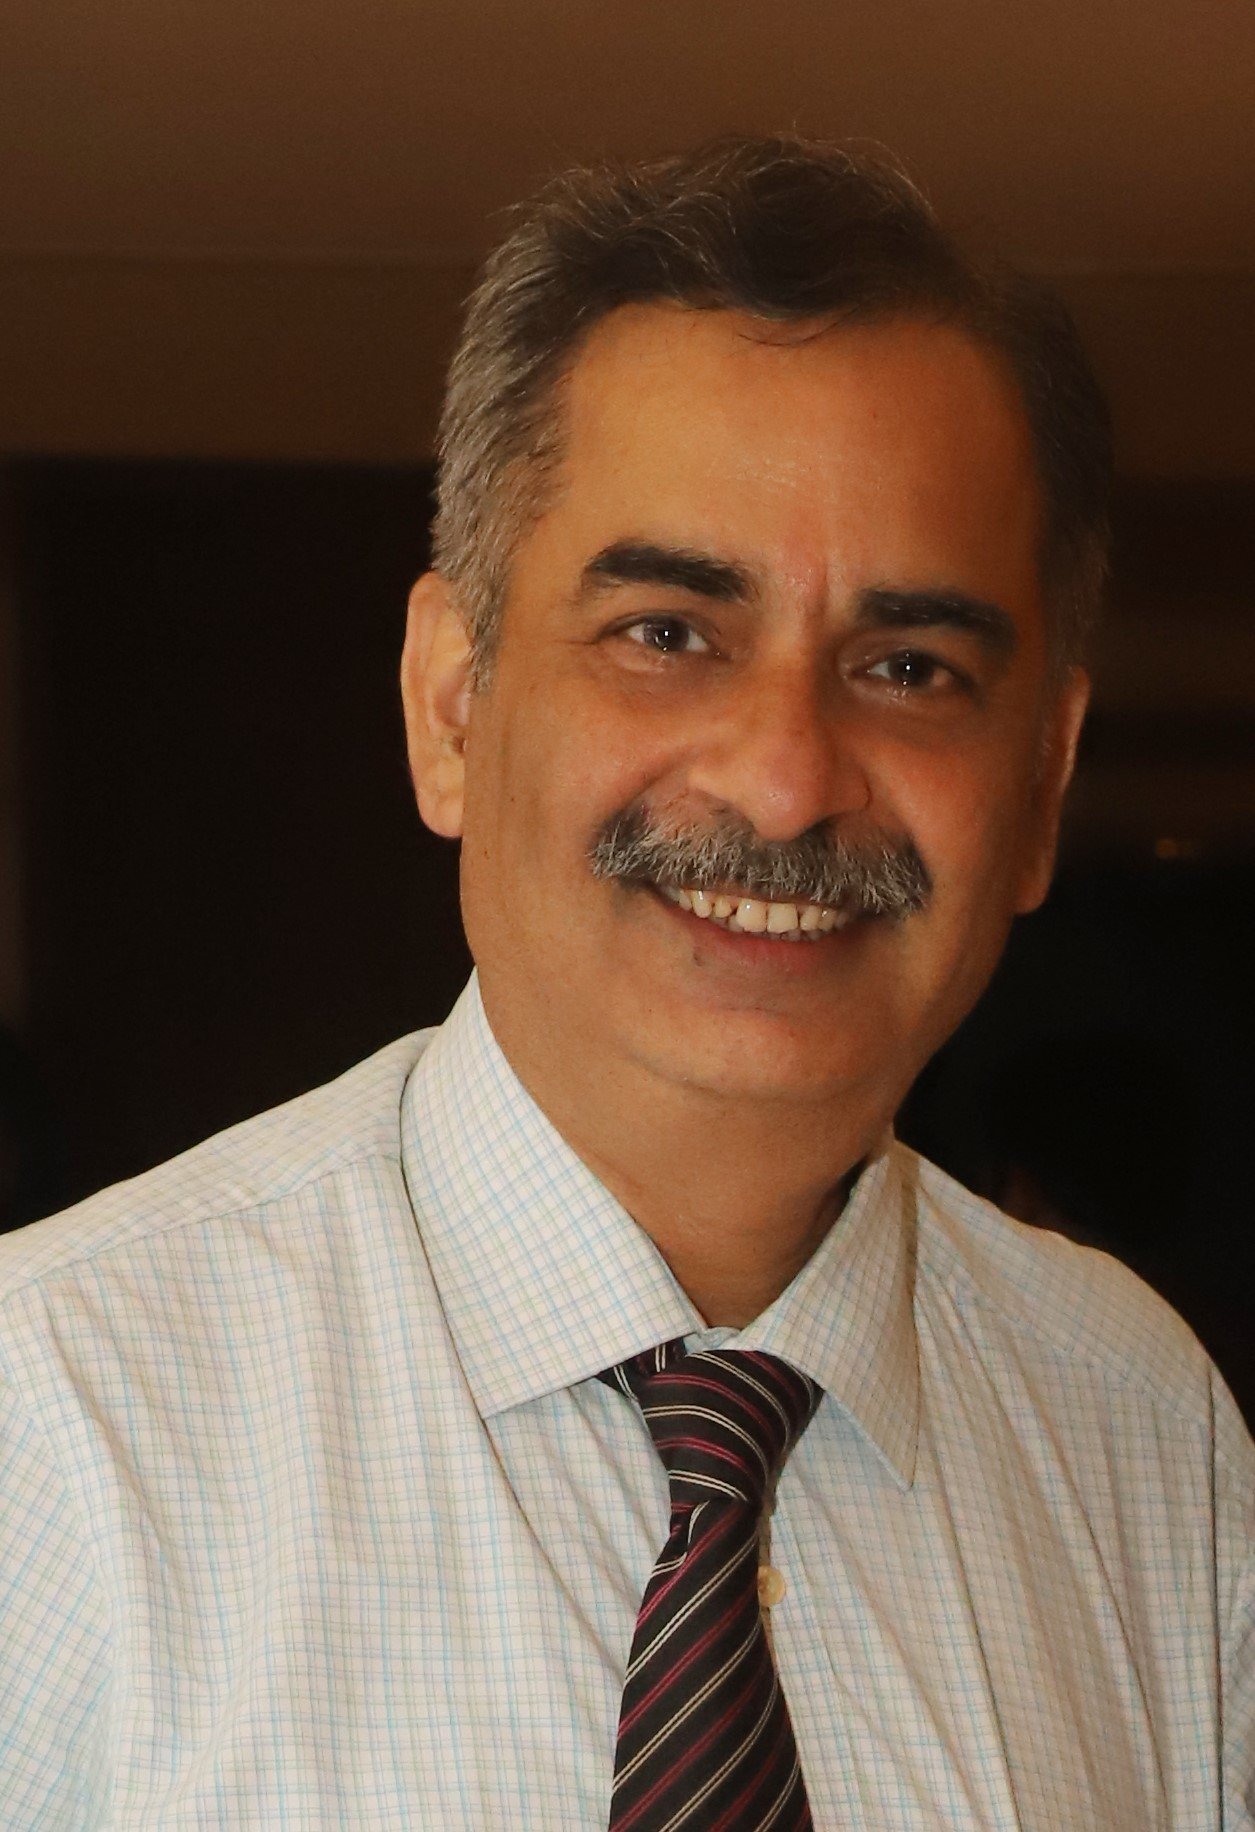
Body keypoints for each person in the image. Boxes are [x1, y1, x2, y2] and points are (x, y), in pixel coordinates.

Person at [1, 137, 1251, 1830]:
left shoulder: (1148, 1441)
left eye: (908, 665)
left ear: (1041, 784)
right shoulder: (49, 1427)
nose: (787, 781)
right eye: (667, 633)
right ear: (453, 705)